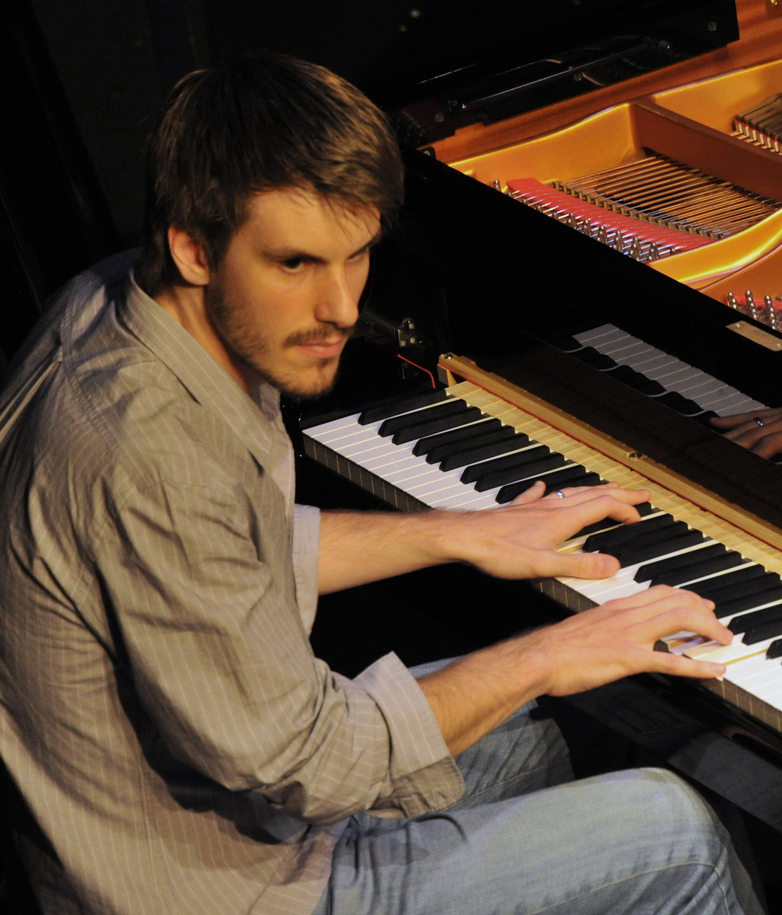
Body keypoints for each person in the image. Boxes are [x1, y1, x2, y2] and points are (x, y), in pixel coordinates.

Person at [0, 53, 763, 915]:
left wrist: (456, 530)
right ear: (193, 246)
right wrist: (544, 654)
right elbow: (315, 765)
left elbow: (224, 553)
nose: (339, 308)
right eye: (296, 264)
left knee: (619, 711)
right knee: (674, 829)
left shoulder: (120, 304)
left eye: (357, 255)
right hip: (225, 885)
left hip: (248, 817)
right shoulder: (148, 455)